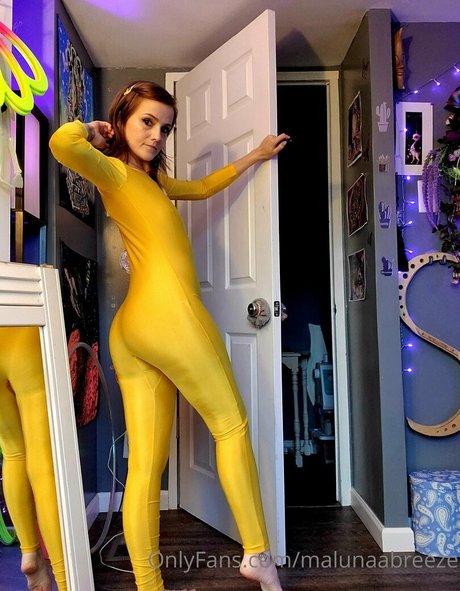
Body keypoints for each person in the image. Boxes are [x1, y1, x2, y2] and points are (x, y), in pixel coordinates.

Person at [50, 80, 289, 591]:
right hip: (168, 316)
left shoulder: (153, 181)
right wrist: (92, 130)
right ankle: (258, 554)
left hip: (133, 329)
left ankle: (149, 585)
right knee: (232, 427)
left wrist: (255, 155)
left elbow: (201, 188)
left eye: (166, 128)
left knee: (144, 468)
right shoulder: (113, 170)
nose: (157, 135)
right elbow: (60, 144)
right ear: (123, 119)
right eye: (147, 122)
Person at [0, 326, 67, 591]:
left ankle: (29, 551)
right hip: (23, 334)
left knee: (13, 453)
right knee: (42, 460)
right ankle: (65, 577)